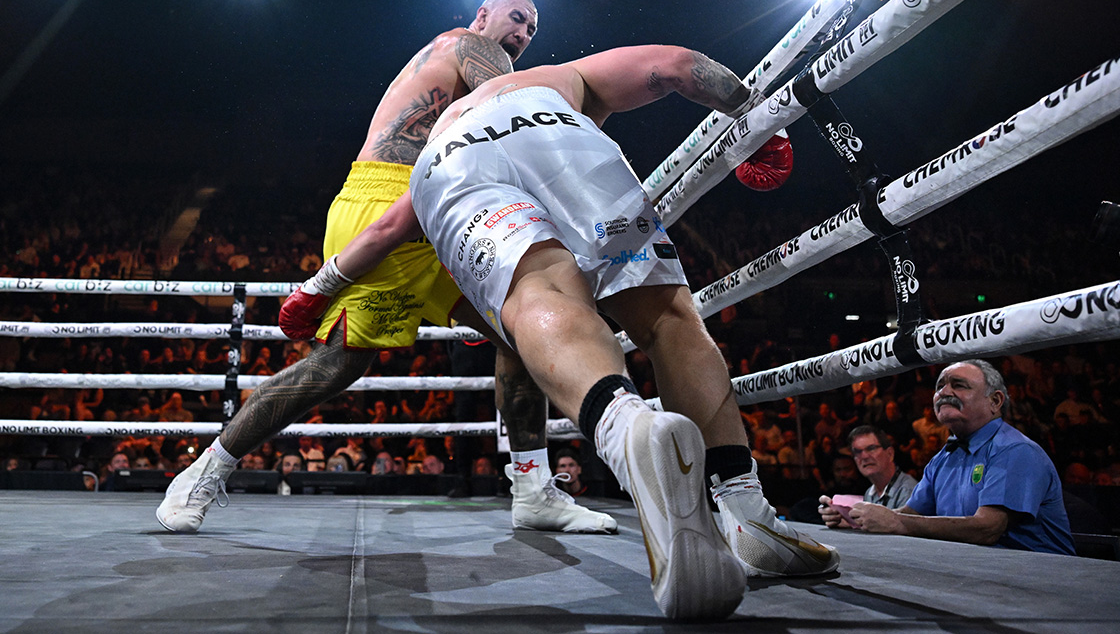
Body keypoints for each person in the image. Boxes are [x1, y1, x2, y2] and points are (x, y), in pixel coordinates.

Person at [332, 45, 830, 619]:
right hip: (551, 129)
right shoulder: (561, 78)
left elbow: (389, 226)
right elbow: (675, 66)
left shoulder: (450, 117)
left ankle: (626, 429)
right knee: (665, 318)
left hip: (442, 169)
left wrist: (320, 286)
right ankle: (747, 516)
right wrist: (757, 118)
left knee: (535, 295)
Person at [157, 0, 614, 536]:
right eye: (517, 18)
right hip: (388, 203)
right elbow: (518, 121)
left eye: (533, 30)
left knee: (522, 333)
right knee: (337, 367)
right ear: (482, 16)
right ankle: (201, 474)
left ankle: (534, 491)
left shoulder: (458, 57)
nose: (523, 34)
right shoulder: (473, 48)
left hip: (439, 205)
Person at [820, 360, 1074, 555]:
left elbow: (988, 528)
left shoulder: (1015, 451)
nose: (944, 392)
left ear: (995, 401)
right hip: (981, 576)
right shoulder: (944, 457)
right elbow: (912, 514)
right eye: (939, 385)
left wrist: (895, 521)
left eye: (959, 385)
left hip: (1043, 580)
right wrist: (857, 520)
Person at [819, 427, 918, 527]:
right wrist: (841, 521)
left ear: (890, 453)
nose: (864, 456)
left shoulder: (909, 492)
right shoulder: (870, 492)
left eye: (871, 449)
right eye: (857, 452)